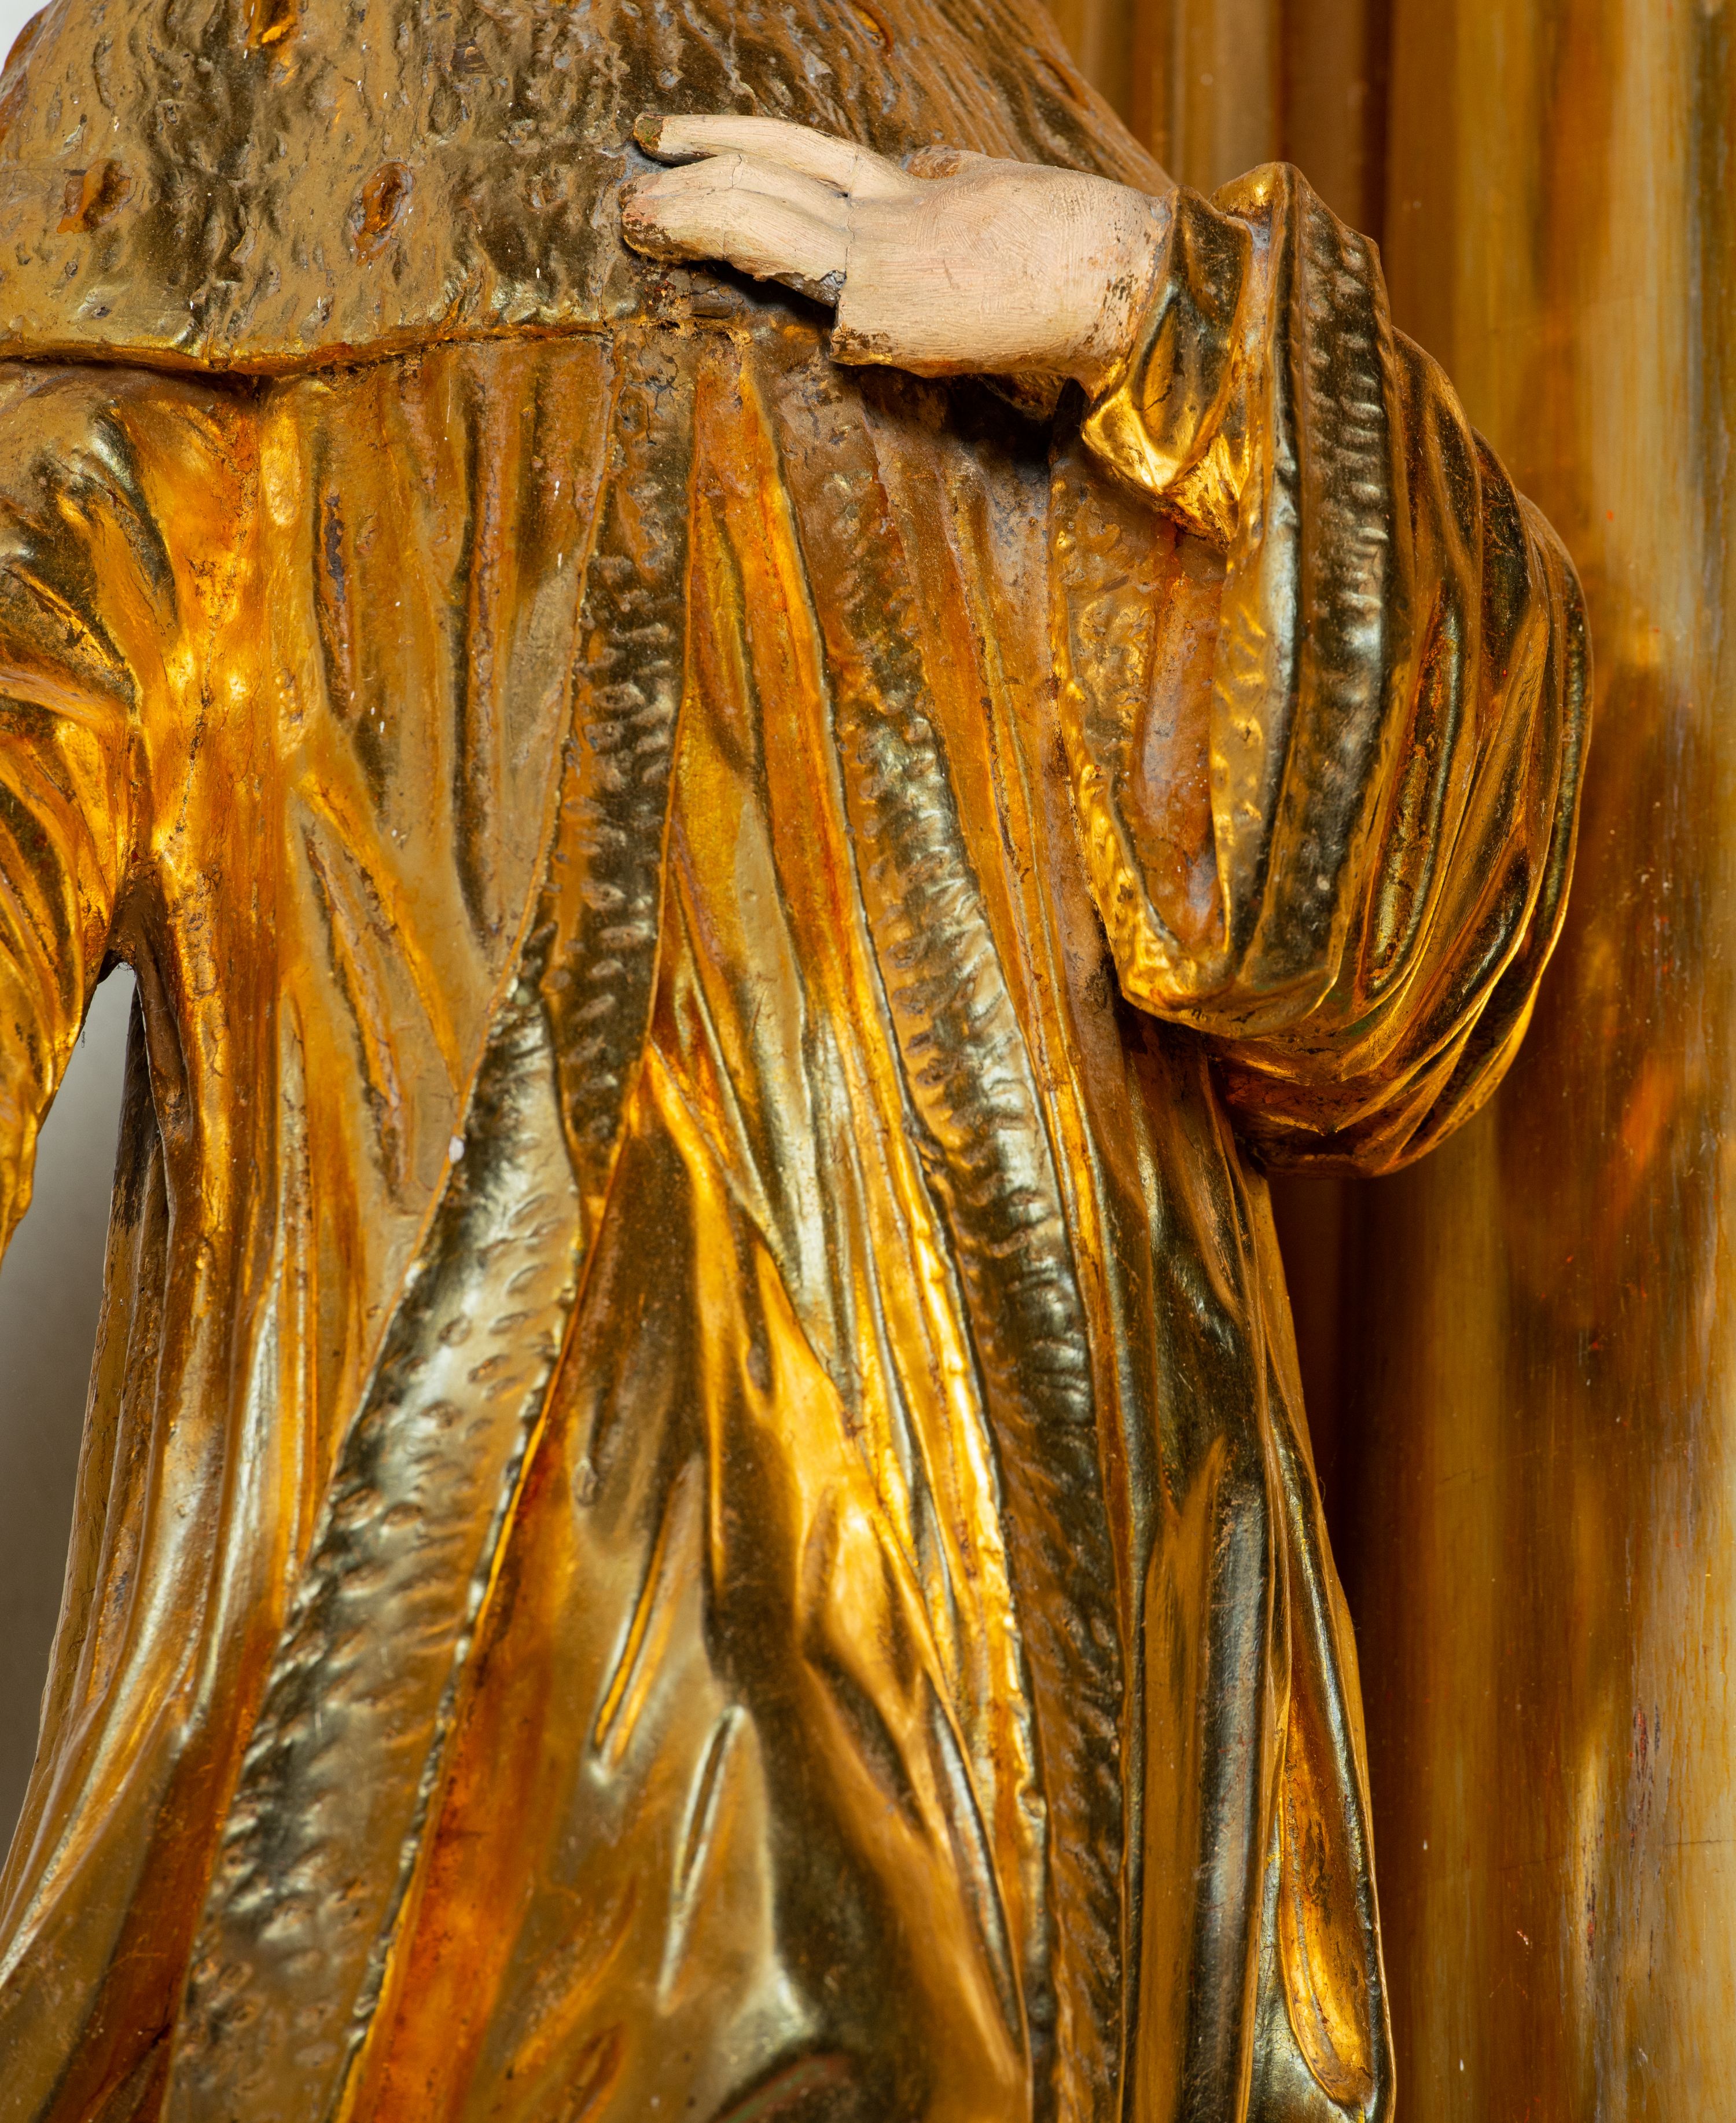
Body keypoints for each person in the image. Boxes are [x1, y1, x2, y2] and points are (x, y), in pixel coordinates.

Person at [0, 0, 1586, 2116]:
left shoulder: (994, 109)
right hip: (524, 1646)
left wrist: (1149, 303)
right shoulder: (204, 103)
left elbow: (1382, 955)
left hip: (1050, 1679)